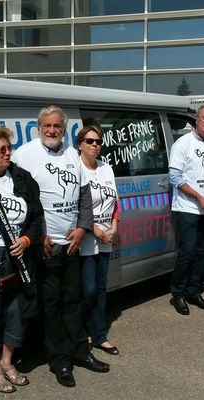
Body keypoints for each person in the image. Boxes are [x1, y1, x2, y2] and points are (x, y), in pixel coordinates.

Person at [12, 106, 109, 388]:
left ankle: (80, 351)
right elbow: (20, 201)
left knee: (74, 302)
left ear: (64, 129)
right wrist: (37, 234)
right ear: (38, 126)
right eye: (47, 125)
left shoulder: (71, 153)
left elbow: (84, 195)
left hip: (71, 245)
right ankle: (59, 360)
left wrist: (81, 229)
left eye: (57, 126)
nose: (52, 130)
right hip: (45, 246)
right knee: (52, 307)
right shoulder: (25, 155)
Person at [0, 126, 44, 393]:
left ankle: (7, 360)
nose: (7, 153)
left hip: (18, 256)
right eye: (1, 149)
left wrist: (26, 240)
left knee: (17, 312)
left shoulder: (20, 178)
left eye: (8, 148)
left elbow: (37, 216)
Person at [168, 104, 204, 315]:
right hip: (188, 207)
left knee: (203, 252)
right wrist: (198, 197)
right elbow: (175, 177)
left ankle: (194, 291)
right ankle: (178, 294)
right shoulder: (183, 143)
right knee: (187, 252)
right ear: (197, 120)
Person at [76, 126, 120, 355]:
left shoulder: (106, 168)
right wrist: (96, 230)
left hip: (106, 237)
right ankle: (84, 333)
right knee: (89, 290)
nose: (95, 145)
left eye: (98, 142)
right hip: (86, 239)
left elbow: (115, 201)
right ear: (80, 144)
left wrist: (113, 226)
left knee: (101, 288)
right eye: (90, 141)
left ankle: (100, 334)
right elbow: (75, 207)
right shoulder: (76, 169)